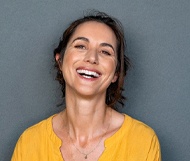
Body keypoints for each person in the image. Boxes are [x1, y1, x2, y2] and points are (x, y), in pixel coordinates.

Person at [11, 10, 161, 161]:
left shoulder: (143, 141)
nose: (92, 58)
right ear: (60, 61)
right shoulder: (29, 143)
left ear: (116, 73)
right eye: (81, 46)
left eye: (105, 52)